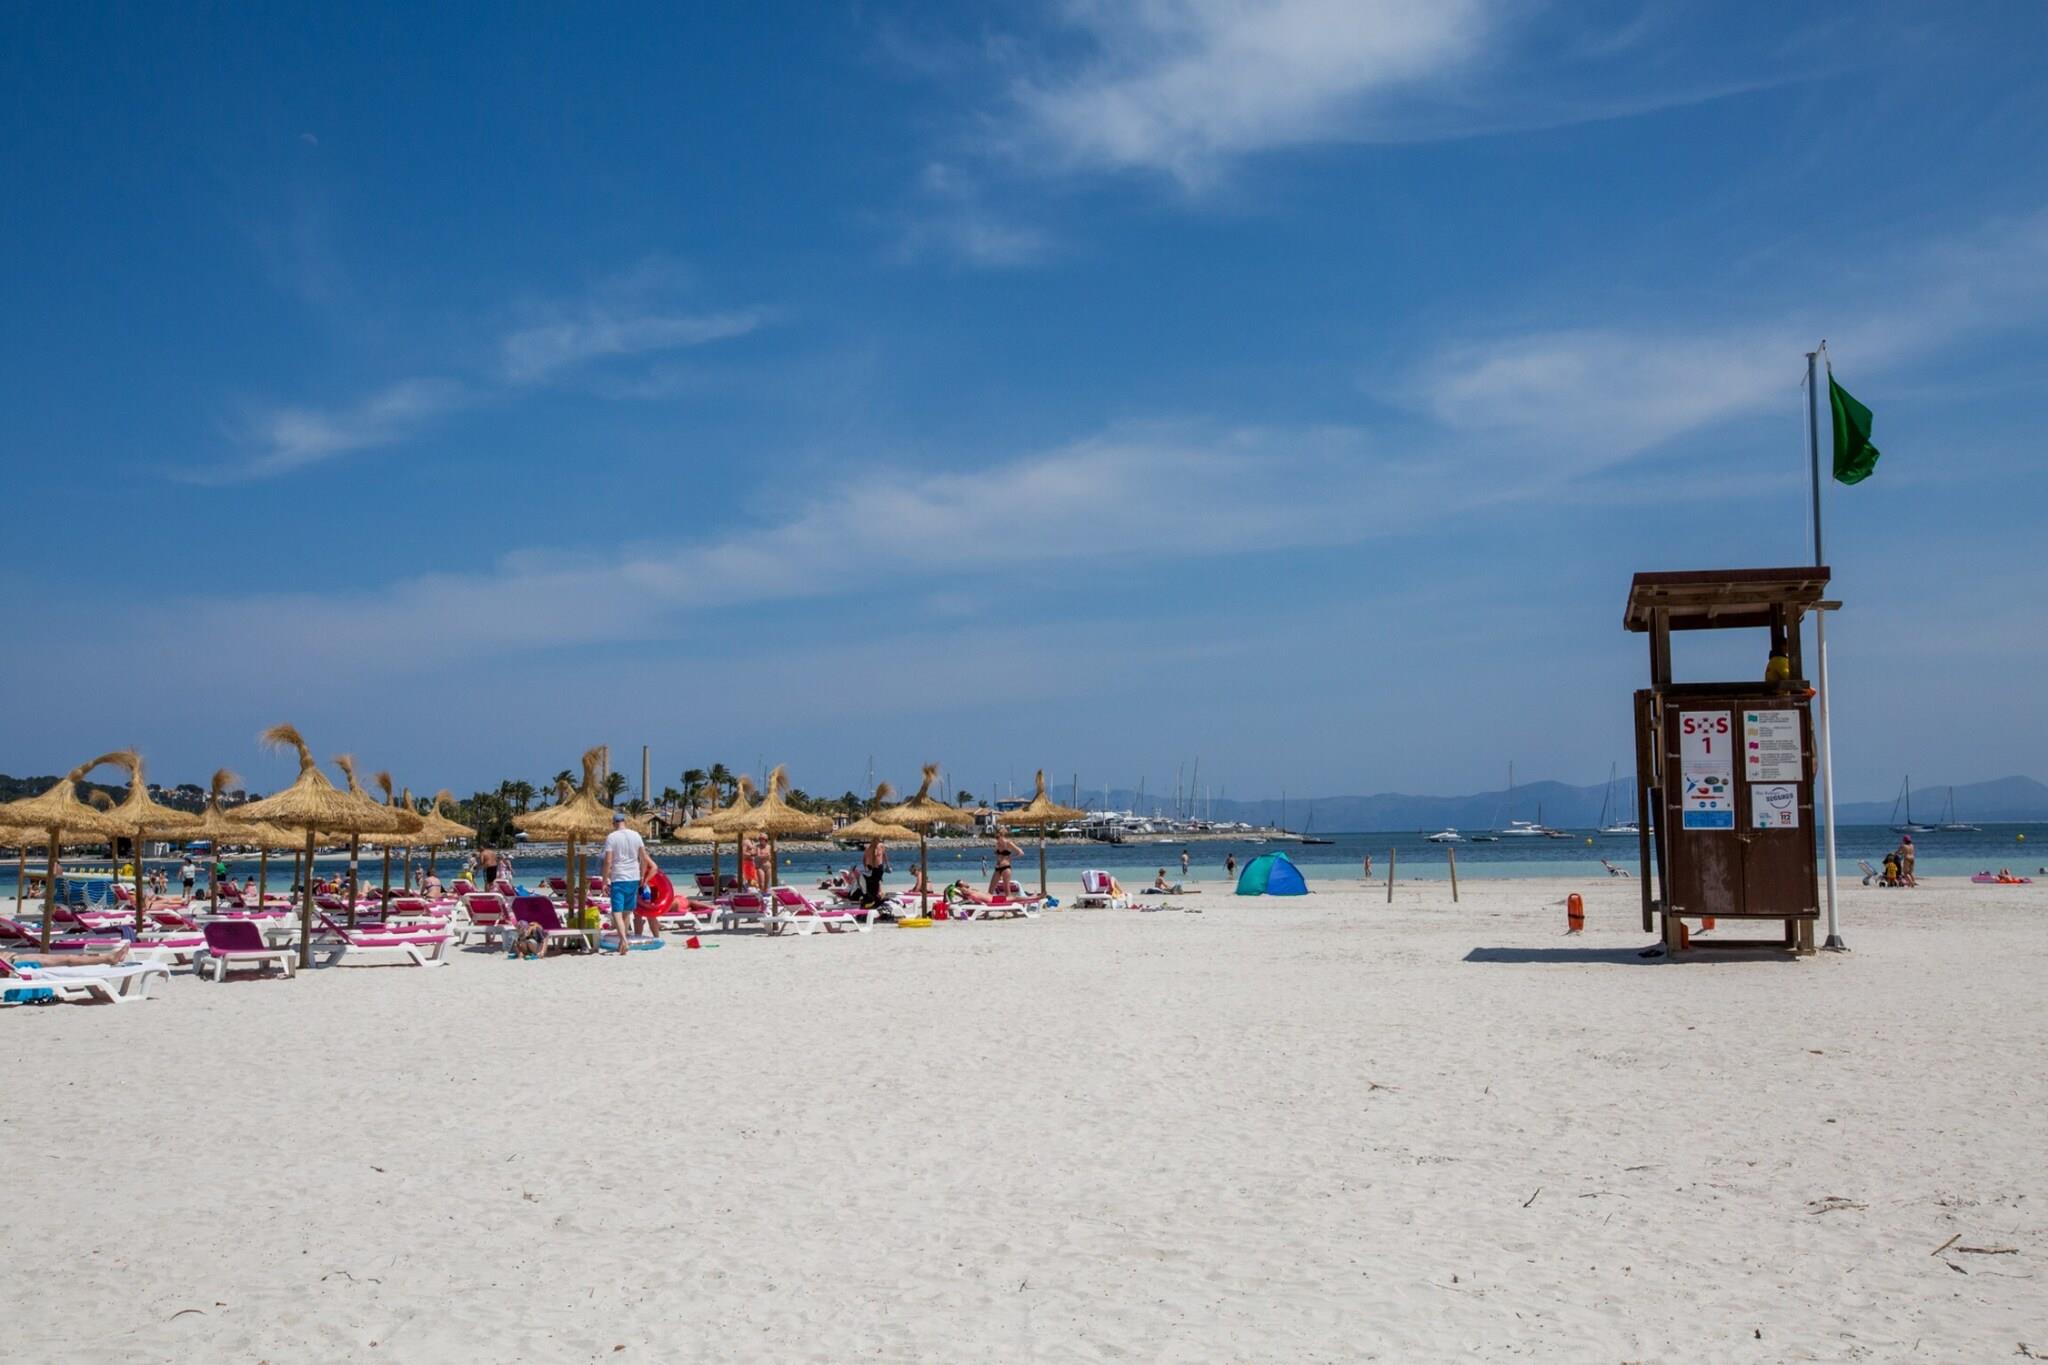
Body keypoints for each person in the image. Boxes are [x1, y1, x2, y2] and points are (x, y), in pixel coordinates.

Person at [601, 811, 654, 956]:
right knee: (626, 912)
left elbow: (608, 861)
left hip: (619, 877)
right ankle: (622, 943)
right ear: (625, 822)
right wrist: (642, 875)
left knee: (616, 912)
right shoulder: (636, 835)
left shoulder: (612, 837)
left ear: (614, 823)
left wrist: (604, 880)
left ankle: (624, 940)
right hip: (634, 877)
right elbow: (643, 857)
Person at [990, 825, 1020, 896]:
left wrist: (1011, 857)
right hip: (998, 867)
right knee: (990, 890)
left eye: (997, 837)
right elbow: (997, 854)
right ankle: (989, 901)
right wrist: (997, 854)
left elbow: (1020, 852)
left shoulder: (1008, 843)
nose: (996, 839)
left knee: (1007, 891)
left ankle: (1010, 902)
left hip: (1006, 868)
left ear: (1002, 835)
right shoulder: (997, 844)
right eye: (996, 837)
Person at [862, 835, 889, 908]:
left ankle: (877, 896)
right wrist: (865, 867)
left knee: (877, 882)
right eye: (874, 839)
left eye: (877, 839)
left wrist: (887, 865)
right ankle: (873, 898)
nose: (876, 841)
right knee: (871, 883)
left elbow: (884, 856)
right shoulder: (868, 847)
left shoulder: (881, 846)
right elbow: (864, 858)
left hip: (879, 867)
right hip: (870, 867)